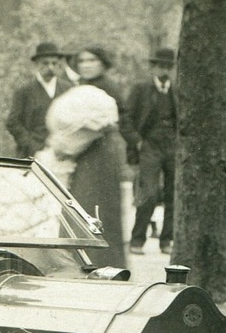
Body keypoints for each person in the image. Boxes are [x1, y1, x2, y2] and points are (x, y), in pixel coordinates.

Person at [36, 85, 128, 269]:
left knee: (94, 214)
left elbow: (75, 135)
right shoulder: (77, 96)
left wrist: (64, 146)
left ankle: (95, 266)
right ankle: (83, 263)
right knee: (81, 213)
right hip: (87, 157)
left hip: (97, 160)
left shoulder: (100, 101)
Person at [122, 46, 178, 255]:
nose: (163, 71)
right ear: (152, 67)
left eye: (167, 66)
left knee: (174, 194)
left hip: (172, 148)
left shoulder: (176, 90)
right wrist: (136, 141)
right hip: (149, 147)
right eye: (159, 66)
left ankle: (167, 241)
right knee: (149, 193)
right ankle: (137, 241)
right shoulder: (141, 89)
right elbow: (125, 118)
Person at [6, 41, 73, 158]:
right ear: (36, 64)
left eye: (54, 63)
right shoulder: (24, 91)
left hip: (62, 152)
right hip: (32, 153)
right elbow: (13, 122)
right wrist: (30, 145)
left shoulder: (68, 89)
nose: (50, 67)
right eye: (45, 63)